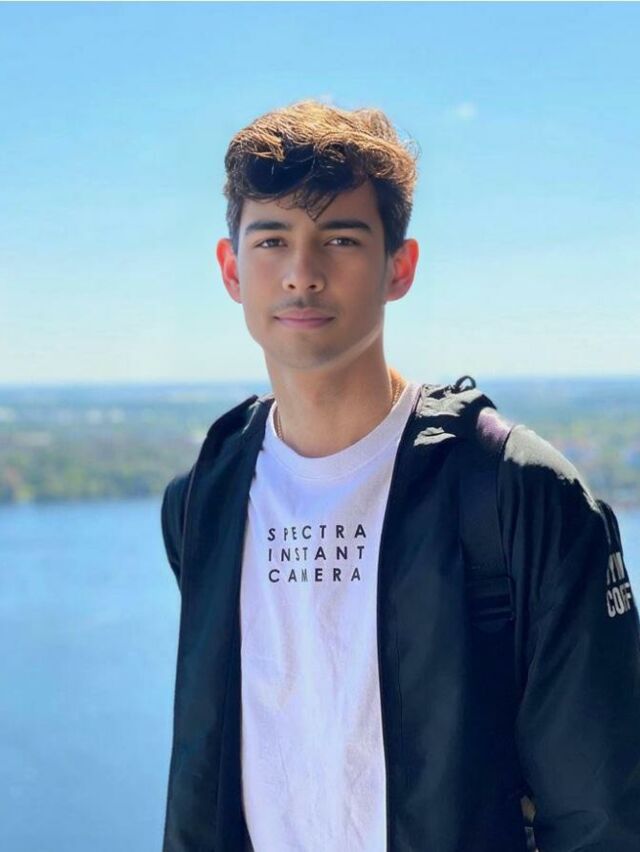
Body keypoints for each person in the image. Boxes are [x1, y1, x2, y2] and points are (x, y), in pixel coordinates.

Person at [160, 99, 640, 852]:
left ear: (399, 268)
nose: (302, 274)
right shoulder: (203, 501)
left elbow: (600, 815)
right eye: (272, 239)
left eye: (341, 239)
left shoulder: (517, 494)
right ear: (231, 269)